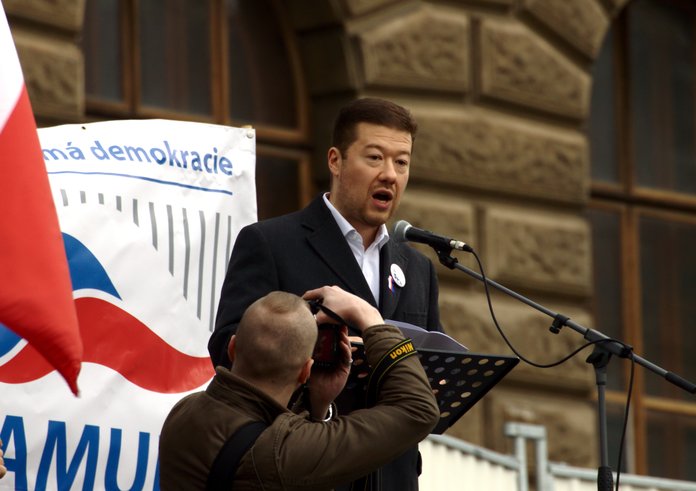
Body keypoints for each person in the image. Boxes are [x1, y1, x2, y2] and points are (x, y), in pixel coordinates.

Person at [209, 97, 443, 490]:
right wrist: (315, 353)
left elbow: (427, 373)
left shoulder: (418, 268)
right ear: (335, 161)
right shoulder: (271, 242)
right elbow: (228, 349)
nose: (390, 174)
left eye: (401, 162)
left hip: (393, 477)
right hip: (303, 469)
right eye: (374, 158)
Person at [160, 286, 440, 490]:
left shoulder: (184, 412)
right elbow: (417, 410)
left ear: (232, 347)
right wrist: (369, 318)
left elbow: (254, 426)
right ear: (306, 370)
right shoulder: (280, 454)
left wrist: (316, 407)